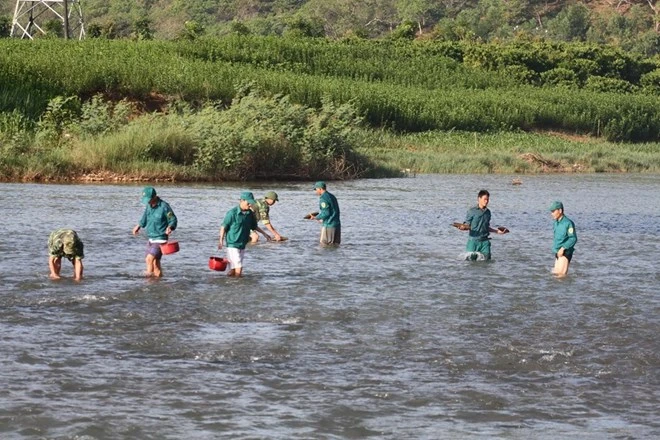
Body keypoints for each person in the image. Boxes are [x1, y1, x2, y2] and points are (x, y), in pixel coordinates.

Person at [219, 191, 270, 277]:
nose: (250, 205)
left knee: (233, 269)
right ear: (242, 201)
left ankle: (229, 284)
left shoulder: (249, 214)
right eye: (248, 203)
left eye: (251, 203)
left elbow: (254, 226)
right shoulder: (232, 213)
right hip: (232, 244)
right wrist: (221, 240)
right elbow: (223, 227)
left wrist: (265, 234)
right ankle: (240, 286)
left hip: (242, 244)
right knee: (239, 267)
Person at [132, 186, 177, 278]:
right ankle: (158, 282)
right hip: (151, 238)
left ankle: (148, 282)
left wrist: (170, 227)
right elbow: (144, 217)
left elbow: (173, 219)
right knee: (155, 263)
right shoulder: (148, 206)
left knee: (149, 259)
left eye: (149, 199)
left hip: (161, 239)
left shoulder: (164, 207)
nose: (147, 202)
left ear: (154, 197)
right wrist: (139, 226)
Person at [459, 189, 507, 260]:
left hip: (485, 242)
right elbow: (466, 225)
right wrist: (463, 228)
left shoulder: (488, 212)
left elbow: (486, 227)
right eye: (485, 199)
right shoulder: (471, 211)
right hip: (473, 242)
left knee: (487, 263)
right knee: (470, 265)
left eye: (487, 199)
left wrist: (497, 231)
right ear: (479, 199)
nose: (486, 201)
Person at [549, 200, 577, 276]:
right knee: (555, 275)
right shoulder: (556, 223)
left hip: (565, 252)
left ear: (560, 210)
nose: (551, 214)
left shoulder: (568, 223)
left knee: (561, 276)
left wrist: (563, 248)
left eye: (553, 211)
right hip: (557, 252)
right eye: (551, 211)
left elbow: (573, 238)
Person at [309, 181, 341, 245]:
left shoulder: (323, 198)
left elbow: (326, 213)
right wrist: (321, 219)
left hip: (328, 225)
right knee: (335, 245)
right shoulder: (332, 196)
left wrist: (316, 217)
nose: (316, 191)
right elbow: (333, 211)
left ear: (320, 189)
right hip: (336, 224)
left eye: (316, 189)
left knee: (324, 245)